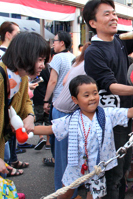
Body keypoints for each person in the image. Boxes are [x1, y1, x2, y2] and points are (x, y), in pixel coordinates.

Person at [33, 75, 133, 199]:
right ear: (75, 99)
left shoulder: (107, 114)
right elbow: (50, 129)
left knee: (94, 196)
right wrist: (28, 129)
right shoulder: (71, 120)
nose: (92, 98)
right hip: (76, 164)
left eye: (95, 93)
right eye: (86, 95)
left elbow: (129, 112)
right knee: (65, 193)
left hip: (98, 168)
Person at [0, 32, 50, 199]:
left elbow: (26, 102)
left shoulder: (21, 77)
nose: (43, 65)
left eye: (44, 60)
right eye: (40, 60)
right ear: (26, 55)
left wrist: (29, 115)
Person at [83, 0, 133, 198]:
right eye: (107, 14)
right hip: (108, 121)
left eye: (114, 13)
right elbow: (112, 87)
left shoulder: (118, 41)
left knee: (125, 167)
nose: (114, 17)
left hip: (125, 116)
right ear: (93, 23)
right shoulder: (94, 51)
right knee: (113, 173)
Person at [51, 42, 91, 192]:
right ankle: (63, 191)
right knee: (67, 158)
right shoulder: (89, 66)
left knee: (68, 155)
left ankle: (71, 187)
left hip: (60, 107)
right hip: (65, 111)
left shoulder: (77, 63)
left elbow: (63, 82)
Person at [43, 31, 75, 166]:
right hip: (71, 100)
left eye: (55, 41)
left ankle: (56, 159)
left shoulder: (57, 58)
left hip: (57, 101)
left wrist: (46, 100)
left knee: (56, 133)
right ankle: (68, 161)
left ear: (62, 43)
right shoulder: (73, 57)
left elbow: (52, 81)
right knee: (69, 135)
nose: (53, 44)